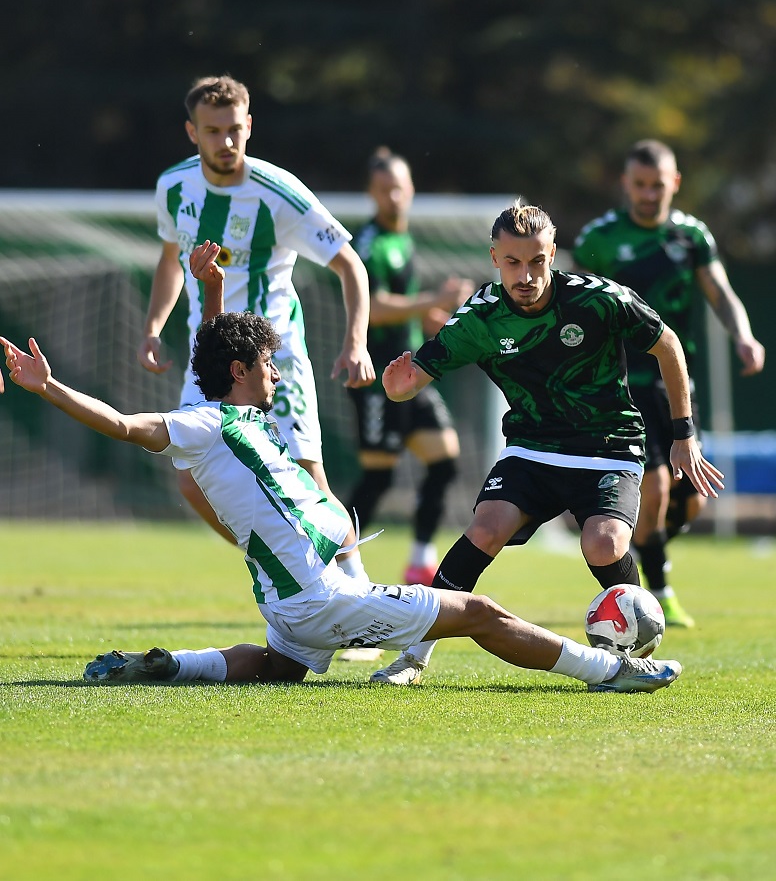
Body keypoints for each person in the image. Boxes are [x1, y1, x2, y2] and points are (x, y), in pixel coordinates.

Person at [0, 242, 684, 695]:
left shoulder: (238, 416)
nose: (277, 369)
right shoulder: (206, 426)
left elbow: (218, 365)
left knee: (273, 667)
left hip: (288, 607)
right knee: (478, 611)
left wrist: (212, 294)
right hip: (321, 598)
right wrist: (47, 387)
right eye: (267, 363)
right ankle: (608, 669)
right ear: (243, 373)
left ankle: (168, 664)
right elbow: (125, 425)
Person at [369, 201, 724, 686]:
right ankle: (414, 654)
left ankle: (632, 654)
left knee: (602, 544)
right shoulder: (479, 319)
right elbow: (409, 382)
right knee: (485, 529)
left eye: (537, 261)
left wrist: (683, 433)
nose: (526, 275)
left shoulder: (599, 299)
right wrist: (396, 385)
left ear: (553, 254)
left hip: (608, 447)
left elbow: (668, 345)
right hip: (532, 448)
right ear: (495, 257)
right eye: (513, 262)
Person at [137, 74, 374, 584]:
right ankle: (284, 563)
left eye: (234, 130)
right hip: (210, 355)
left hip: (274, 359)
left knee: (308, 478)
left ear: (249, 126)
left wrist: (356, 341)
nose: (225, 142)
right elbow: (170, 260)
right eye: (212, 131)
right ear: (191, 131)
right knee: (190, 480)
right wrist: (154, 326)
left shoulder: (278, 192)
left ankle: (358, 591)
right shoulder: (173, 187)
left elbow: (350, 264)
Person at [573, 140, 765, 627]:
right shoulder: (601, 237)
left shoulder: (691, 236)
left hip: (675, 382)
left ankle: (643, 550)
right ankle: (656, 590)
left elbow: (720, 291)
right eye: (639, 184)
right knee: (655, 486)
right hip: (623, 384)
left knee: (691, 499)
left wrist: (742, 335)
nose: (648, 194)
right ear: (626, 184)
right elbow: (571, 306)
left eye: (657, 185)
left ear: (673, 183)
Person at [346, 148, 474, 585]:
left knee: (445, 461)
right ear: (371, 194)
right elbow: (376, 309)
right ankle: (330, 564)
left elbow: (402, 309)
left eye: (399, 188)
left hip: (412, 372)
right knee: (377, 477)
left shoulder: (403, 239)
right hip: (376, 378)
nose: (394, 197)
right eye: (384, 190)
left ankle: (420, 561)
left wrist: (429, 319)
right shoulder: (370, 243)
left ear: (412, 189)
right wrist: (434, 300)